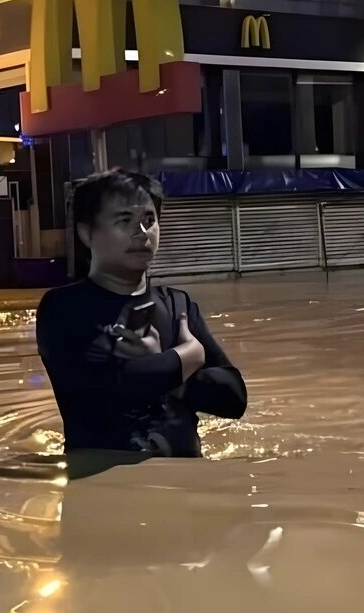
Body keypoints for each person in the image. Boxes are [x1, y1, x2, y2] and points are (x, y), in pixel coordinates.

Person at [36, 169, 247, 472]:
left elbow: (234, 399)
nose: (142, 232)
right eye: (124, 221)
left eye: (149, 220)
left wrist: (165, 367)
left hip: (188, 491)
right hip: (104, 491)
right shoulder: (63, 308)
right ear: (87, 233)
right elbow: (99, 393)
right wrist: (186, 357)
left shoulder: (177, 305)